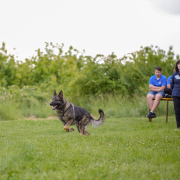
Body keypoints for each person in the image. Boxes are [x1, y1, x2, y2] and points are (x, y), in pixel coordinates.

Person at [170, 59, 180, 129]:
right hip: (176, 93)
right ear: (177, 66)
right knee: (177, 111)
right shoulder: (174, 74)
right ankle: (178, 126)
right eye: (178, 64)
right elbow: (171, 85)